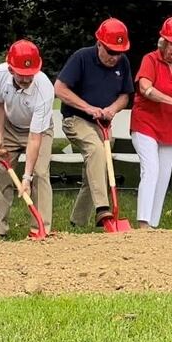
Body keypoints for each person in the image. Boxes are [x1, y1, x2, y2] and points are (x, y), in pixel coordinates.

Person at [53, 17, 133, 228]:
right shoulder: (81, 57)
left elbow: (125, 96)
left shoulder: (122, 63)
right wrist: (88, 108)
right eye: (110, 51)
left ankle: (77, 222)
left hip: (103, 123)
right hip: (76, 119)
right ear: (99, 44)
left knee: (97, 168)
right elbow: (60, 88)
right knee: (97, 152)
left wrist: (112, 109)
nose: (114, 57)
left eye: (119, 52)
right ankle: (103, 210)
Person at [130, 16, 172, 228]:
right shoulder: (150, 59)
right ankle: (142, 223)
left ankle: (153, 224)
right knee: (151, 169)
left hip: (170, 126)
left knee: (164, 175)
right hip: (145, 123)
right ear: (163, 42)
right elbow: (145, 89)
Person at [0, 39, 55, 236]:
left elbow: (35, 138)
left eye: (30, 75)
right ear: (10, 69)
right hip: (10, 126)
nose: (26, 79)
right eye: (21, 75)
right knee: (2, 173)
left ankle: (40, 230)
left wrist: (26, 177)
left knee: (40, 173)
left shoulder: (44, 90)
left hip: (38, 130)